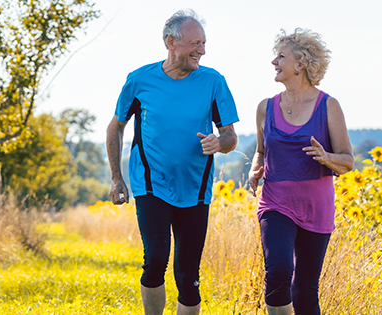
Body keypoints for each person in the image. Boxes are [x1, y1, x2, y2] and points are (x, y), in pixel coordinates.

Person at [106, 9, 238, 315]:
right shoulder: (139, 80)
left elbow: (231, 137)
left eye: (204, 44)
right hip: (150, 184)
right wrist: (117, 177)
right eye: (195, 43)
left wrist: (220, 143)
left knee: (188, 276)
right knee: (155, 260)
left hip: (196, 188)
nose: (202, 51)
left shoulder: (213, 82)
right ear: (171, 42)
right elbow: (116, 126)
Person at [248, 28, 354, 315]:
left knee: (305, 290)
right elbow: (261, 150)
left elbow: (347, 162)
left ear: (301, 64)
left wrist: (326, 156)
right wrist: (255, 170)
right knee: (279, 272)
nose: (274, 62)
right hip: (275, 203)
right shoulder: (265, 108)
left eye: (281, 56)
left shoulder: (328, 106)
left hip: (315, 208)